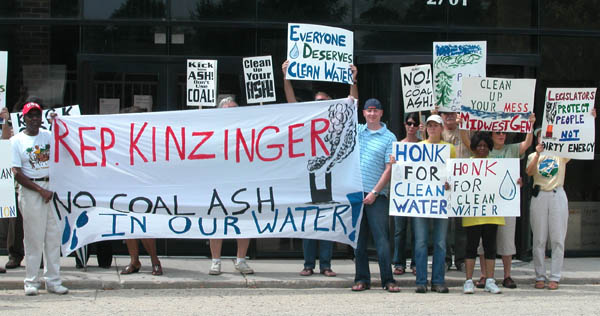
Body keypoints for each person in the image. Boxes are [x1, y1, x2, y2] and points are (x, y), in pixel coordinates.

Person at [282, 61, 358, 277]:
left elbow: (352, 103)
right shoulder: (306, 119)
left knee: (327, 220)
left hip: (331, 175)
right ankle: (308, 264)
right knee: (309, 220)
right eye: (317, 101)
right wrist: (286, 77)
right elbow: (290, 102)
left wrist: (353, 79)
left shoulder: (336, 120)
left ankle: (325, 264)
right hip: (307, 175)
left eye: (324, 101)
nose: (320, 104)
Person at [460, 114, 535, 289]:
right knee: (480, 245)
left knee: (504, 241)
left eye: (503, 132)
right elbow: (465, 140)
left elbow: (527, 144)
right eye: (497, 132)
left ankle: (506, 276)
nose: (501, 134)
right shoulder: (481, 151)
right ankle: (483, 276)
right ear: (490, 135)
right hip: (480, 207)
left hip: (503, 204)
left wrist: (530, 125)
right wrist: (463, 122)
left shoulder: (511, 149)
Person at [526, 108, 596, 290]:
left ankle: (555, 277)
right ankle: (539, 276)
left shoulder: (560, 154)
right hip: (540, 195)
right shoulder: (533, 156)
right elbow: (529, 172)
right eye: (540, 136)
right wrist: (539, 154)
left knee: (557, 238)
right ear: (537, 139)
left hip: (557, 194)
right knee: (539, 239)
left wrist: (590, 121)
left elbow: (580, 142)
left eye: (546, 136)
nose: (543, 139)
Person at [11, 100, 68, 295]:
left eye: (37, 115)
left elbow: (66, 147)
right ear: (24, 118)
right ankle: (31, 281)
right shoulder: (17, 141)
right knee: (34, 238)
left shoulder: (48, 136)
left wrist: (58, 124)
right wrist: (39, 190)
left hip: (51, 188)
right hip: (32, 190)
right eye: (31, 116)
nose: (35, 119)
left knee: (53, 237)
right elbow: (17, 173)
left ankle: (53, 280)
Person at [351, 98, 399, 293]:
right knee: (358, 241)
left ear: (381, 113)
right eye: (368, 111)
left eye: (375, 111)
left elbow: (389, 168)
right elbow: (350, 103)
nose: (372, 114)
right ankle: (362, 279)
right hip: (355, 193)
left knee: (381, 240)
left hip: (377, 196)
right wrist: (353, 82)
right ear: (363, 113)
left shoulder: (390, 137)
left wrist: (375, 192)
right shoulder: (358, 132)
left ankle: (388, 279)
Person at [208, 97, 254, 275]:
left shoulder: (248, 131)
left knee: (244, 221)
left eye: (236, 108)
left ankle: (241, 260)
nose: (233, 112)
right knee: (217, 221)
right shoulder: (214, 132)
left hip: (242, 181)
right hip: (219, 182)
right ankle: (215, 261)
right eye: (229, 109)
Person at [412, 114, 455, 293]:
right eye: (429, 125)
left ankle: (438, 281)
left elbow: (454, 172)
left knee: (439, 242)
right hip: (422, 200)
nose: (432, 128)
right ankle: (421, 281)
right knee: (421, 242)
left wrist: (449, 182)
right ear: (426, 128)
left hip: (442, 201)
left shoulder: (450, 148)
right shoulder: (418, 147)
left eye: (436, 125)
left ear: (441, 128)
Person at [119, 106, 162, 276]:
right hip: (126, 186)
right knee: (128, 225)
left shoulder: (149, 139)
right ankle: (134, 261)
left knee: (144, 225)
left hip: (145, 186)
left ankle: (155, 260)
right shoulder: (121, 139)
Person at [461, 132, 503, 295]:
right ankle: (468, 281)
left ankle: (490, 280)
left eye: (485, 146)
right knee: (471, 248)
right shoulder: (466, 165)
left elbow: (505, 185)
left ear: (489, 147)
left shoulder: (496, 164)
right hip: (472, 215)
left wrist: (517, 182)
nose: (482, 148)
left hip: (492, 214)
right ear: (473, 148)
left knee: (490, 248)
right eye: (479, 146)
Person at [439, 111, 469, 272]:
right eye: (445, 114)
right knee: (444, 226)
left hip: (462, 185)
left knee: (461, 226)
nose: (449, 116)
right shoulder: (438, 131)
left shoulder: (466, 130)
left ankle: (461, 259)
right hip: (443, 186)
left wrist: (463, 123)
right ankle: (445, 259)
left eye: (452, 113)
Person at [392, 113, 421, 276]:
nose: (411, 127)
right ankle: (399, 263)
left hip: (418, 194)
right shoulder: (398, 145)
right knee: (400, 230)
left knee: (417, 231)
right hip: (401, 194)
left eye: (415, 124)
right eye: (409, 123)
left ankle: (416, 263)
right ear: (404, 125)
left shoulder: (424, 145)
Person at [2, 104, 25, 271]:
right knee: (14, 222)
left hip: (33, 183)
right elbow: (4, 144)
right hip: (13, 183)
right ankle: (15, 255)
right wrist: (6, 121)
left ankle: (38, 256)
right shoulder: (13, 137)